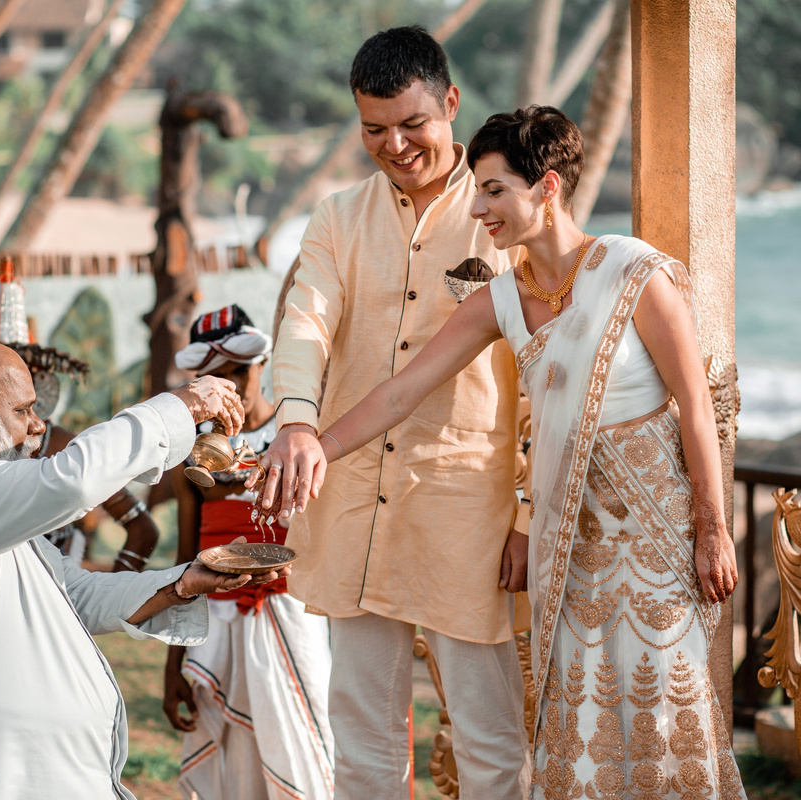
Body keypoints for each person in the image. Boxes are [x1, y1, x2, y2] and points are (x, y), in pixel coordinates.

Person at [300, 106, 745, 798]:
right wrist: (314, 447)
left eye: (494, 190)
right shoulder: (500, 300)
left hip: (656, 542)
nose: (477, 208)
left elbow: (696, 405)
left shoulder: (633, 272)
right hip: (570, 550)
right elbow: (401, 393)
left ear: (548, 188)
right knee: (584, 730)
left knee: (663, 720)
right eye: (477, 191)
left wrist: (713, 528)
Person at [260, 25, 530, 798]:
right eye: (375, 129)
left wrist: (528, 512)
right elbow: (305, 323)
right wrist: (296, 421)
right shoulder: (338, 217)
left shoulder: (503, 218)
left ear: (451, 103)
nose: (396, 146)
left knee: (490, 741)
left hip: (467, 510)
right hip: (351, 502)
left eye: (413, 124)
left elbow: (542, 382)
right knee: (363, 741)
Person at [0, 337, 287, 800]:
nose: (38, 425)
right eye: (23, 410)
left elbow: (74, 596)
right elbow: (72, 480)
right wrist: (181, 406)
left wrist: (183, 584)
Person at [163, 305, 333, 800]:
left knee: (305, 747)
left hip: (290, 610)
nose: (230, 386)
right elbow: (185, 557)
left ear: (263, 365)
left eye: (239, 371)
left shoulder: (299, 436)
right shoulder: (190, 453)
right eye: (215, 377)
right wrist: (173, 666)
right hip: (214, 621)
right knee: (232, 760)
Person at [0, 262, 160, 571]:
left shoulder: (61, 446)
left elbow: (143, 530)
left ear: (35, 379)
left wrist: (109, 593)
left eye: (8, 377)